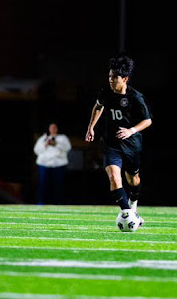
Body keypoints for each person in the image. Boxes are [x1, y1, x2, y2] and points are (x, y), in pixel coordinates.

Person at [85, 54, 152, 221]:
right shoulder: (106, 93)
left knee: (133, 180)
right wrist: (91, 127)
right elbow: (98, 107)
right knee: (114, 178)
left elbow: (148, 120)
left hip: (131, 145)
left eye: (115, 77)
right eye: (109, 76)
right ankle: (128, 214)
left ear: (125, 79)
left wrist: (132, 130)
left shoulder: (136, 97)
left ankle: (133, 205)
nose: (111, 80)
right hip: (111, 144)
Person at [33, 123, 71, 205]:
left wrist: (56, 144)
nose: (53, 129)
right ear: (49, 129)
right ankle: (41, 202)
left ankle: (59, 202)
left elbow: (68, 147)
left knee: (58, 184)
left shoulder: (62, 138)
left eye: (54, 127)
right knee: (43, 183)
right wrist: (45, 144)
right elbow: (36, 150)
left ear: (57, 129)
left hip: (59, 164)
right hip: (44, 164)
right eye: (51, 128)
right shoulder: (43, 138)